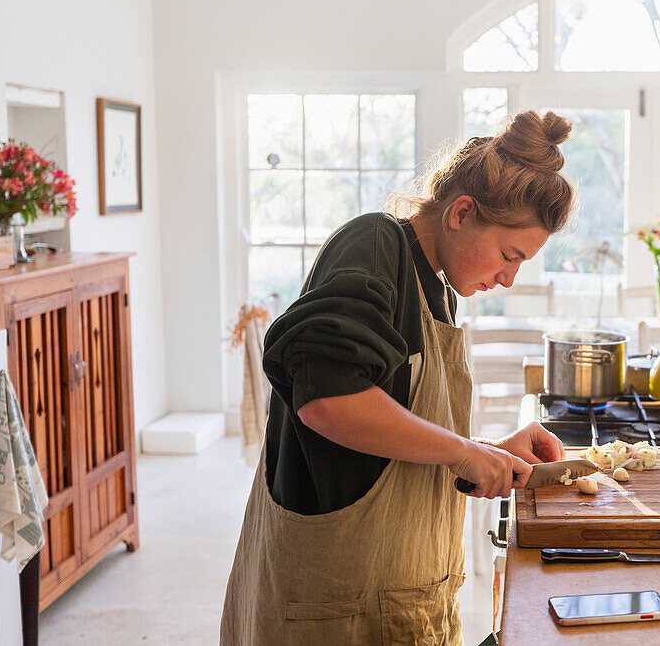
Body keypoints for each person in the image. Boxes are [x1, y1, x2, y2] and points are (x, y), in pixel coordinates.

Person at [220, 110, 577, 645]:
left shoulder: (436, 288)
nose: (507, 277)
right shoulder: (374, 245)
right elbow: (328, 401)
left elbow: (394, 428)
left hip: (400, 601)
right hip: (333, 607)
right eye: (509, 255)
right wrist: (462, 452)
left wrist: (487, 450)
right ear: (461, 213)